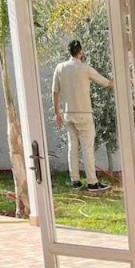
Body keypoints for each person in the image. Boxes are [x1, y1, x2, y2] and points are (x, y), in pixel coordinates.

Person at [51, 39, 114, 192]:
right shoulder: (85, 68)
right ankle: (92, 182)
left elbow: (55, 91)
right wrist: (118, 81)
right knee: (87, 148)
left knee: (72, 147)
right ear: (81, 52)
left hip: (68, 113)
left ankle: (75, 181)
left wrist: (57, 113)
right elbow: (106, 83)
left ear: (69, 51)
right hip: (84, 113)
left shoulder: (60, 68)